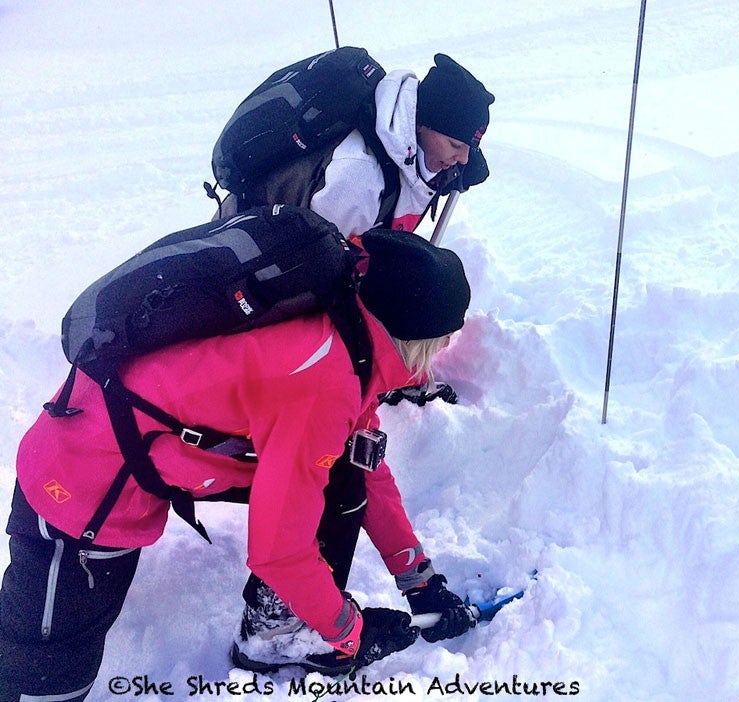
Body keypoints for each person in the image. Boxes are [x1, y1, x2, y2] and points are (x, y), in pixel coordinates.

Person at [0, 230, 478, 701]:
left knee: (340, 473)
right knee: (46, 673)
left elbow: (361, 461)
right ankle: (284, 630)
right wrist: (348, 630)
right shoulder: (324, 379)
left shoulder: (348, 332)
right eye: (442, 343)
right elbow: (278, 551)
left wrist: (418, 577)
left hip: (112, 452)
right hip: (81, 487)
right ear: (416, 339)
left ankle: (283, 624)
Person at [219, 52, 496, 239]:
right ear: (422, 123)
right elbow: (323, 267)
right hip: (252, 252)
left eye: (470, 148)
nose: (463, 159)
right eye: (455, 144)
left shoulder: (418, 146)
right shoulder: (358, 176)